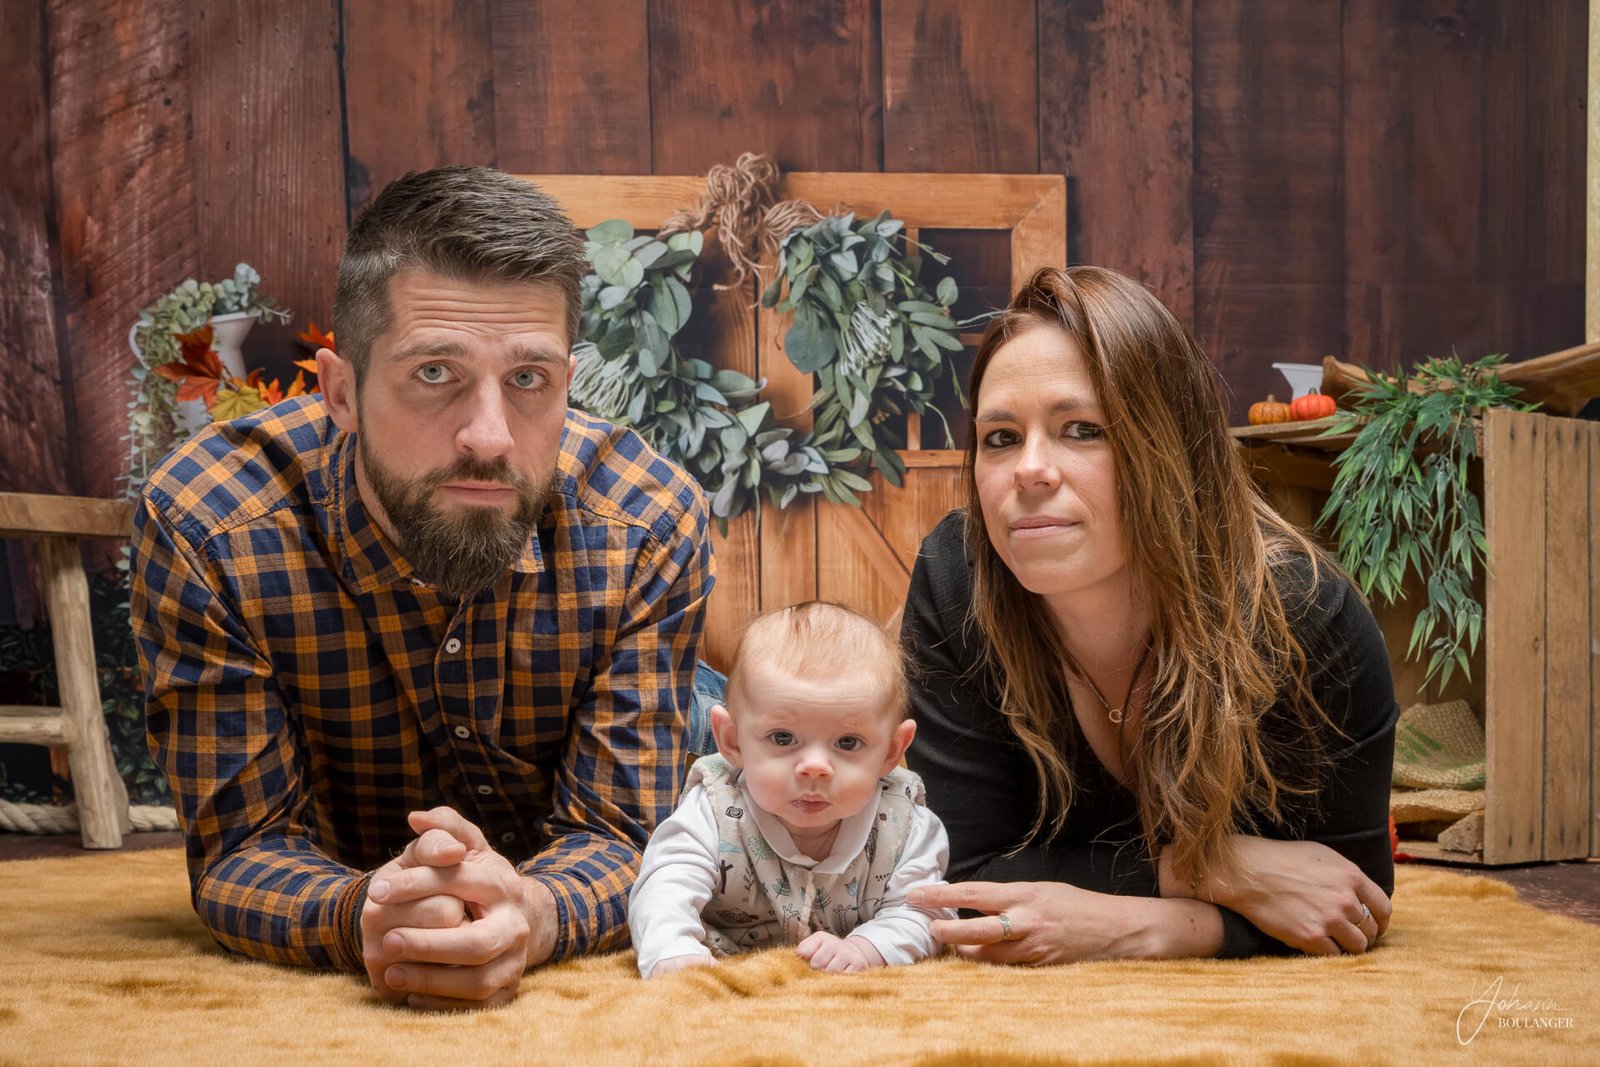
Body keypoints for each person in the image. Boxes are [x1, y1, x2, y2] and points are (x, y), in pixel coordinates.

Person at [129, 166, 715, 1010]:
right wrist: (360, 912)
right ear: (341, 392)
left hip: (682, 727)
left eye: (528, 380)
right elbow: (245, 846)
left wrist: (537, 912)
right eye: (435, 373)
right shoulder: (210, 529)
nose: (488, 437)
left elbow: (621, 830)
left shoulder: (649, 521)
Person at [900, 266, 1398, 962]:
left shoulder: (1306, 617)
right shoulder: (959, 580)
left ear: (1170, 448)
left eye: (1081, 429)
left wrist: (1131, 923)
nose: (1029, 469)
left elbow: (1348, 899)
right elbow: (958, 877)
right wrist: (1209, 871)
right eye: (1001, 437)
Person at [628, 602, 952, 977]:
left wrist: (866, 948)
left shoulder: (904, 823)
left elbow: (925, 909)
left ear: (892, 751)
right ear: (731, 740)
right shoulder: (715, 807)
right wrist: (672, 949)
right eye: (783, 738)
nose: (815, 767)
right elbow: (664, 884)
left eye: (847, 743)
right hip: (729, 971)